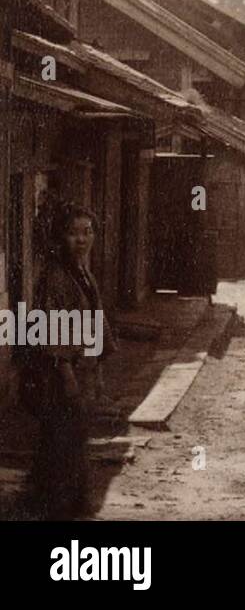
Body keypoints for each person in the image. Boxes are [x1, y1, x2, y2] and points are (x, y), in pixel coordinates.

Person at [21, 203, 117, 519]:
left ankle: (64, 506)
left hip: (82, 371)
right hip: (61, 376)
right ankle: (56, 510)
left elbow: (95, 322)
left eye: (87, 232)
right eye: (74, 233)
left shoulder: (83, 272)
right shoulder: (56, 276)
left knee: (73, 442)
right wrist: (67, 376)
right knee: (61, 443)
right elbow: (51, 331)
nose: (82, 239)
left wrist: (98, 370)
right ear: (61, 237)